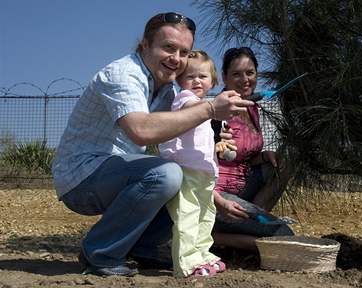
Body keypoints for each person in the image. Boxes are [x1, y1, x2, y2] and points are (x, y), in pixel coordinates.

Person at [51, 12, 252, 277]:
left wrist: (214, 194)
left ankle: (143, 247)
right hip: (81, 177)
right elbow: (141, 130)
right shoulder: (123, 74)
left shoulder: (168, 91)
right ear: (145, 44)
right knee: (166, 174)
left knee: (181, 176)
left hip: (118, 174)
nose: (176, 59)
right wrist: (211, 108)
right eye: (168, 47)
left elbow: (185, 143)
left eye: (184, 52)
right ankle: (99, 252)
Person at [211, 47, 294, 252]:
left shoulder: (251, 107)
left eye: (250, 73)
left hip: (243, 186)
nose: (245, 79)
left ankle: (256, 215)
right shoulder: (215, 112)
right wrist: (217, 199)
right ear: (224, 77)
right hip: (218, 196)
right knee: (283, 235)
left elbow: (242, 157)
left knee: (289, 158)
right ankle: (212, 236)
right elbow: (197, 166)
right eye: (236, 74)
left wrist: (263, 156)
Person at [159, 50, 225, 277]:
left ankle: (202, 253)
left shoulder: (204, 105)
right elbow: (189, 110)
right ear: (180, 80)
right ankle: (186, 264)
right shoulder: (185, 99)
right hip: (186, 170)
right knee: (187, 216)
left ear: (213, 81)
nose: (196, 81)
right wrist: (213, 107)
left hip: (205, 173)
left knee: (206, 216)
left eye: (203, 76)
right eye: (190, 76)